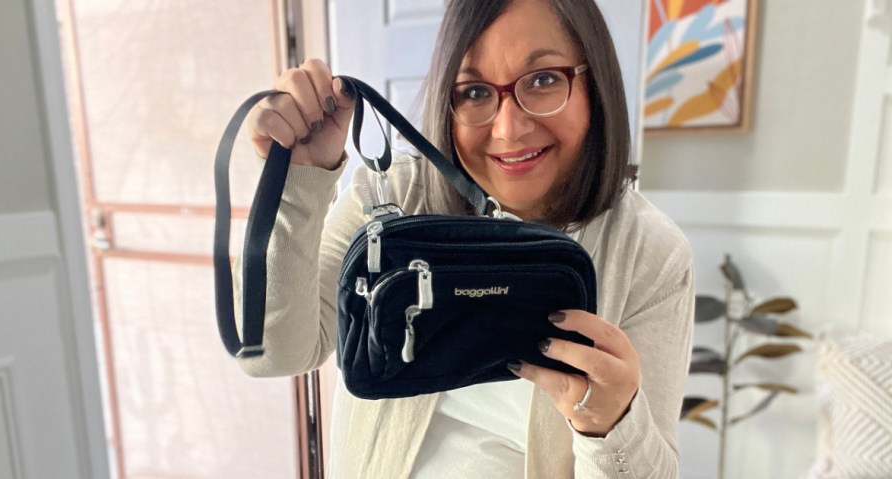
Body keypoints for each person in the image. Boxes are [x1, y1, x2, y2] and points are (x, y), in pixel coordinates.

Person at [236, 0, 694, 477]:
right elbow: (270, 352)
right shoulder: (394, 196)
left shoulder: (647, 252)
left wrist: (611, 424)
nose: (509, 129)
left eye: (543, 80)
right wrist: (297, 184)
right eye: (474, 91)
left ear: (595, 84)